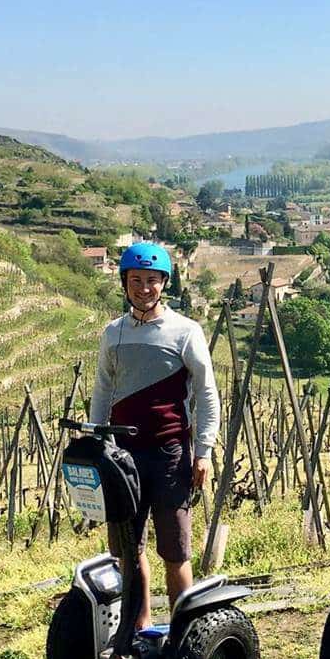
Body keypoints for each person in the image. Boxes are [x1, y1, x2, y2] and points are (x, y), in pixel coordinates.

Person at [90, 242, 219, 632]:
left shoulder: (185, 331)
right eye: (136, 281)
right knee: (129, 548)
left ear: (164, 283)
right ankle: (139, 627)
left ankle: (186, 633)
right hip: (123, 456)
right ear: (124, 284)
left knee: (176, 550)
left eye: (151, 281)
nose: (144, 288)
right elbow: (101, 392)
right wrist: (99, 445)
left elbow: (207, 394)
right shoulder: (113, 334)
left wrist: (204, 452)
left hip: (169, 454)